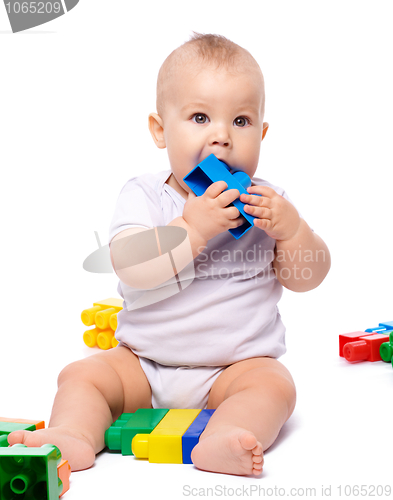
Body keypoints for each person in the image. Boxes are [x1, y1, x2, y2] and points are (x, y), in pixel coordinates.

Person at [8, 33, 330, 476]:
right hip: (142, 362)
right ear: (161, 130)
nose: (221, 138)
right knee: (82, 376)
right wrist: (192, 228)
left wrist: (294, 231)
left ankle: (223, 438)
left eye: (241, 121)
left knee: (275, 386)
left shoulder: (271, 204)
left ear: (262, 132)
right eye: (200, 117)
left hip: (234, 369)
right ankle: (74, 435)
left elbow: (306, 277)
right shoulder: (145, 196)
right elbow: (131, 266)